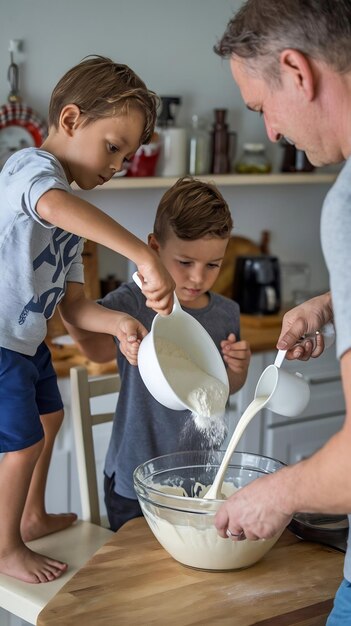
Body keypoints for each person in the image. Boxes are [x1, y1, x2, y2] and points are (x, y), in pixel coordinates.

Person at [0, 55, 175, 584]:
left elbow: (74, 305)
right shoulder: (31, 169)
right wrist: (144, 258)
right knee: (23, 441)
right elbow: (51, 206)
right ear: (71, 120)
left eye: (128, 154)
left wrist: (118, 324)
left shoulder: (72, 224)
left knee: (50, 420)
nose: (118, 164)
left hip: (27, 343)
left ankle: (31, 515)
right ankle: (5, 546)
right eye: (113, 147)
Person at [213, 1, 351, 622]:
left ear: (297, 70)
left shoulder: (346, 207)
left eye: (261, 107)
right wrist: (332, 304)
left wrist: (278, 494)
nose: (270, 133)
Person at [64, 176, 251, 532]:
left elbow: (226, 389)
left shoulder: (226, 313)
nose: (198, 278)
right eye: (185, 262)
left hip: (202, 482)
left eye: (213, 265)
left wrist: (237, 369)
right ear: (153, 248)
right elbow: (93, 346)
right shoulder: (133, 303)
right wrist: (96, 322)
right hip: (136, 480)